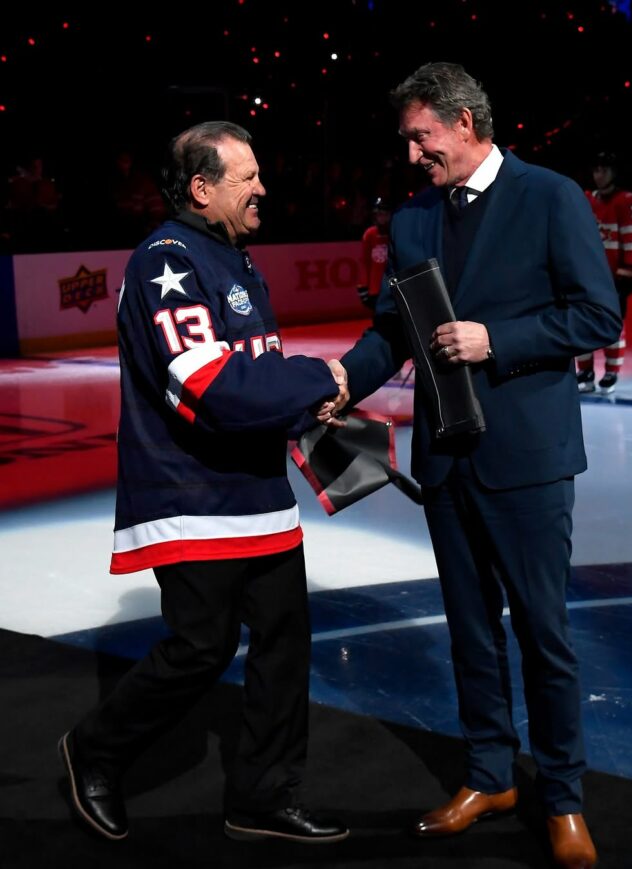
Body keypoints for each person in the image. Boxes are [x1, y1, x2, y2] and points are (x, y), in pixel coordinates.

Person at [335, 62, 621, 869]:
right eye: (407, 141)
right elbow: (393, 327)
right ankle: (490, 773)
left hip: (527, 460)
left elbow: (597, 312)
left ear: (465, 124)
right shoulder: (414, 217)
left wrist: (498, 338)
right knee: (470, 631)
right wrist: (343, 379)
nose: (413, 154)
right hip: (446, 459)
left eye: (421, 137)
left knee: (543, 634)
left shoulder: (550, 195)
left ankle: (562, 797)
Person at [58, 121, 349, 845]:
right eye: (246, 177)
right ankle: (94, 747)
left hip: (256, 496)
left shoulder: (233, 256)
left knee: (285, 643)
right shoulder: (168, 259)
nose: (262, 188)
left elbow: (254, 374)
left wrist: (307, 417)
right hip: (188, 499)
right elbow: (209, 384)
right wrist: (322, 379)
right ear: (201, 187)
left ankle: (262, 795)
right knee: (200, 647)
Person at [576, 152, 632, 394]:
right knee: (581, 321)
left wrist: (627, 274)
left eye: (604, 170)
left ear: (614, 172)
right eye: (596, 170)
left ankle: (611, 372)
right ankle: (585, 371)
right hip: (587, 275)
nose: (599, 175)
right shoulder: (587, 198)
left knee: (612, 324)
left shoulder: (626, 200)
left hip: (614, 278)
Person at [357, 197, 393, 310]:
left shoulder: (395, 232)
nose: (381, 218)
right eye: (379, 214)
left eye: (384, 214)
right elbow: (364, 261)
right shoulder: (370, 234)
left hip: (392, 286)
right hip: (375, 289)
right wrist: (362, 286)